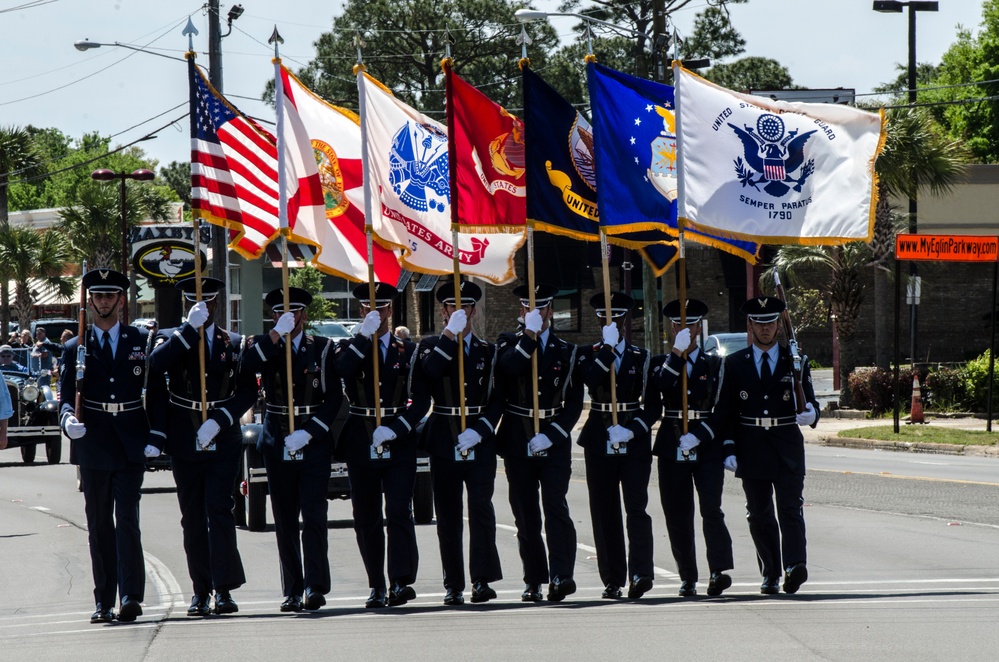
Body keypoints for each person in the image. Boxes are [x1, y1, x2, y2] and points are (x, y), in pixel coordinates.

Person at [679, 296, 820, 595]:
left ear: (779, 325)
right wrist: (729, 448)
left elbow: (809, 399)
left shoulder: (795, 360)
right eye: (760, 323)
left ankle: (795, 566)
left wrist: (812, 413)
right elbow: (726, 412)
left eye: (771, 322)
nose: (766, 329)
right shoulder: (734, 363)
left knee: (790, 509)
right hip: (751, 445)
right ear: (750, 325)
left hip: (786, 446)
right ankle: (770, 572)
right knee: (759, 513)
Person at [146, 277, 257, 616]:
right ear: (186, 306)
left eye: (208, 303)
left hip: (222, 437)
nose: (203, 309)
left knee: (219, 510)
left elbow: (247, 392)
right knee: (192, 518)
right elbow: (156, 367)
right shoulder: (169, 338)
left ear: (216, 305)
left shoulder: (234, 343)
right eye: (196, 303)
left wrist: (221, 419)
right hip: (184, 437)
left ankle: (223, 589)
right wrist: (187, 332)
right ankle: (200, 590)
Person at [58, 268, 152, 624]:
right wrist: (67, 421)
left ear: (121, 300)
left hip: (129, 439)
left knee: (127, 519)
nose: (104, 301)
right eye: (98, 296)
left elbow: (153, 394)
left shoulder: (139, 340)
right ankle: (103, 599)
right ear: (90, 302)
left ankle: (130, 595)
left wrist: (155, 436)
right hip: (94, 441)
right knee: (99, 524)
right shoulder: (75, 347)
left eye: (110, 296)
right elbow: (67, 397)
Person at [242, 286, 342, 613]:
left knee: (314, 516)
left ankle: (315, 585)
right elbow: (247, 365)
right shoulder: (264, 345)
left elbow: (333, 400)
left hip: (312, 442)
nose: (288, 317)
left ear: (304, 315)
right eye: (280, 313)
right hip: (277, 439)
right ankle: (292, 588)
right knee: (285, 519)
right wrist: (274, 335)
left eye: (294, 311)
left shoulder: (323, 348)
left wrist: (311, 432)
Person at [335, 282, 429, 609]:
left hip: (398, 439)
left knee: (400, 510)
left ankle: (400, 581)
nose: (376, 313)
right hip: (361, 438)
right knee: (366, 515)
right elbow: (342, 371)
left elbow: (421, 401)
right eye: (367, 308)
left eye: (383, 307)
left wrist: (397, 429)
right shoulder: (350, 347)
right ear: (361, 311)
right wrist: (363, 336)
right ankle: (376, 584)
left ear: (392, 310)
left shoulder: (408, 350)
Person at [410, 281, 504, 606]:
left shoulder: (488, 351)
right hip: (443, 437)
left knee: (481, 509)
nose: (459, 312)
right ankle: (454, 584)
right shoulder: (430, 346)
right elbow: (431, 372)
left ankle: (481, 580)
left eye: (465, 307)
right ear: (443, 311)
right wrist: (450, 335)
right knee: (448, 514)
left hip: (478, 437)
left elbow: (497, 400)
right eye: (452, 307)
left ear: (474, 311)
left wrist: (481, 430)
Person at [494, 283, 584, 603]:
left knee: (556, 508)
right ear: (522, 312)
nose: (535, 314)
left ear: (550, 312)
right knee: (526, 515)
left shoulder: (567, 351)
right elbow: (508, 369)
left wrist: (554, 434)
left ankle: (562, 575)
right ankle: (533, 579)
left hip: (553, 438)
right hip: (518, 437)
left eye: (541, 309)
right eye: (528, 309)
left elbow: (574, 403)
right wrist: (528, 337)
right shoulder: (508, 343)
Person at [577, 292, 660, 600]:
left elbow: (653, 407)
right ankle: (612, 579)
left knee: (636, 508)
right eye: (603, 317)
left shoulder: (642, 357)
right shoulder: (588, 354)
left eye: (617, 316)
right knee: (604, 511)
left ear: (627, 320)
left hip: (633, 439)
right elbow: (590, 380)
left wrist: (632, 430)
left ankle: (641, 573)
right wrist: (608, 349)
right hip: (599, 437)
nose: (610, 321)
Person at [654, 299, 734, 597]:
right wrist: (676, 353)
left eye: (688, 324)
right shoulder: (661, 362)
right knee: (677, 513)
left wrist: (701, 435)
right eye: (677, 324)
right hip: (671, 443)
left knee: (711, 508)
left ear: (699, 327)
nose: (682, 329)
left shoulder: (715, 363)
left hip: (707, 444)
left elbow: (723, 409)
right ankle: (687, 576)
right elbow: (661, 387)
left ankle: (719, 570)